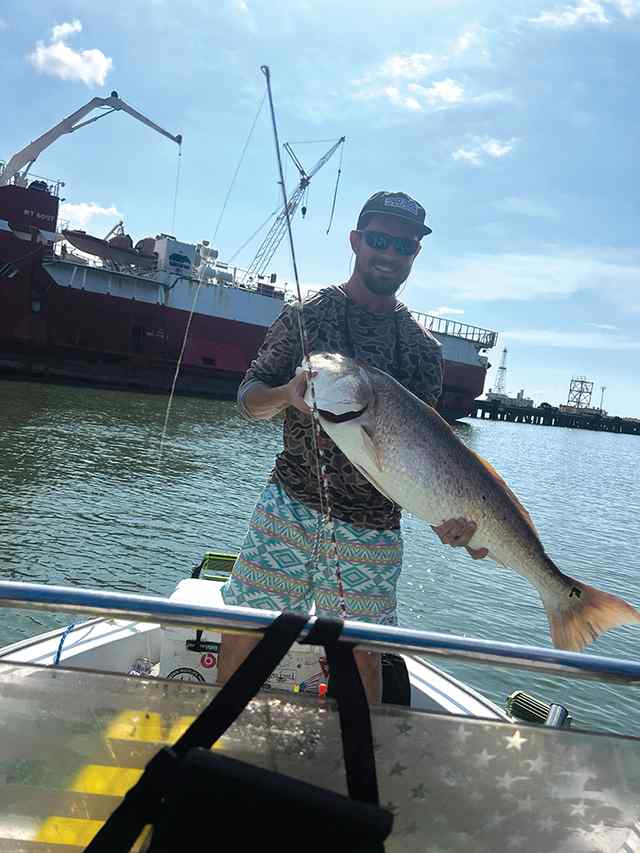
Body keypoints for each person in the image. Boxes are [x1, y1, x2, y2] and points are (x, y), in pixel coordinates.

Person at [219, 191, 487, 703]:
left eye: (403, 246)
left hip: (372, 525)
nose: (389, 254)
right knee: (245, 628)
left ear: (414, 256)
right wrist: (285, 397)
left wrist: (452, 524)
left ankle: (358, 760)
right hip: (289, 503)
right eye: (379, 240)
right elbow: (247, 398)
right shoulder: (305, 316)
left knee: (363, 651)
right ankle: (220, 739)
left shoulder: (421, 348)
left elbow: (420, 451)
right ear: (356, 241)